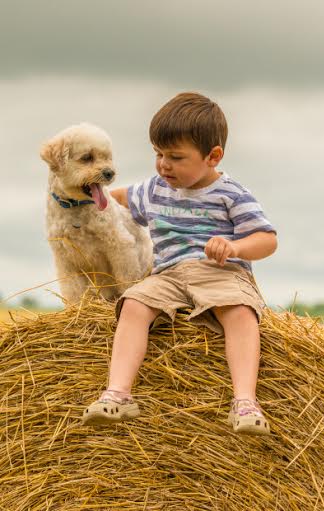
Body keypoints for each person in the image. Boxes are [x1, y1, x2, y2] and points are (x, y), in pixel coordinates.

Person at [82, 92, 277, 435]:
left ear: (213, 156)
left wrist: (234, 247)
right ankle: (118, 393)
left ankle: (245, 401)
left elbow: (267, 239)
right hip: (168, 274)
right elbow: (118, 200)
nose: (163, 165)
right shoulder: (154, 190)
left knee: (240, 312)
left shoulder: (232, 194)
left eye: (175, 157)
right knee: (133, 304)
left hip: (219, 273)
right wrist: (84, 206)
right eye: (158, 154)